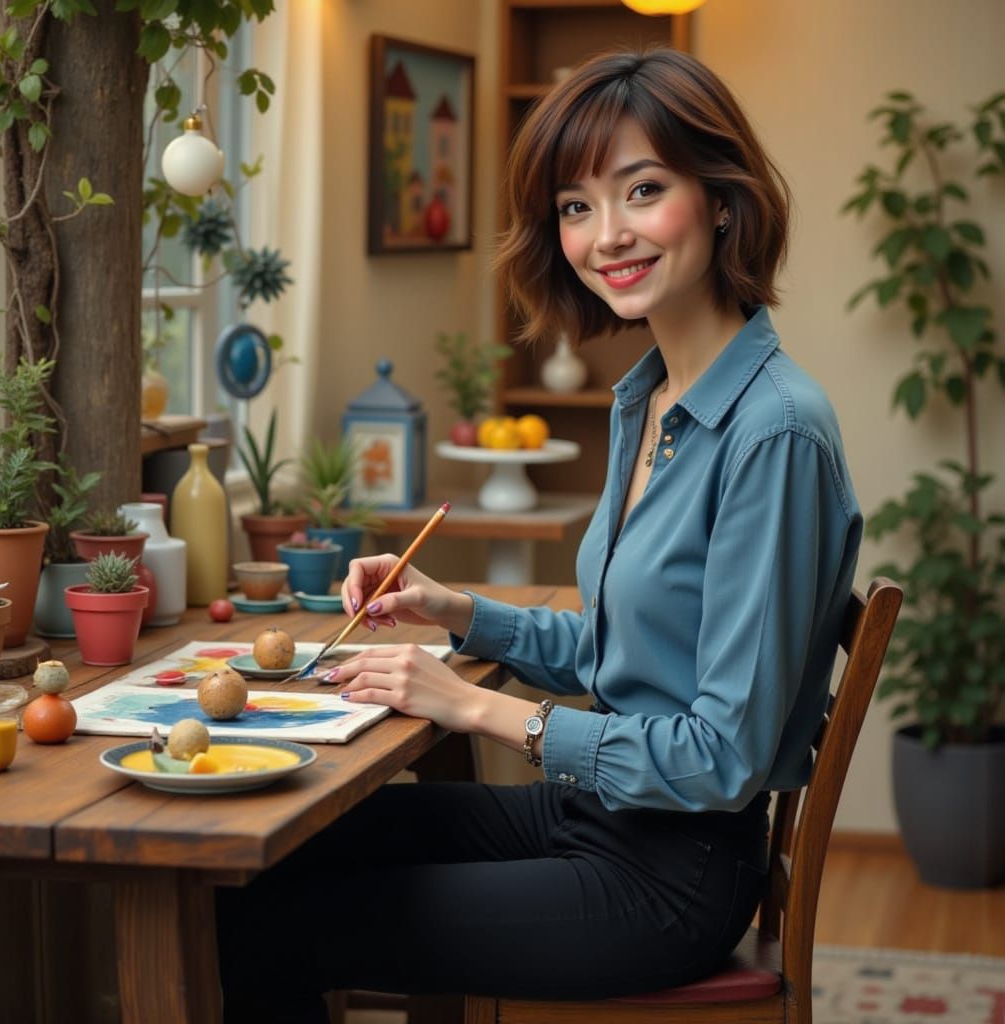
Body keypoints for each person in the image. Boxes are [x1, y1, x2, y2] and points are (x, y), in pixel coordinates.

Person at [217, 47, 862, 1022]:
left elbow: (720, 754)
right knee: (278, 848)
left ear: (722, 198)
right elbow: (626, 650)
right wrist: (456, 610)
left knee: (276, 924)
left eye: (641, 190)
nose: (606, 235)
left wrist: (475, 710)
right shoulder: (652, 398)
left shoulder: (771, 433)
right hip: (595, 816)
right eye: (574, 206)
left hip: (667, 874)